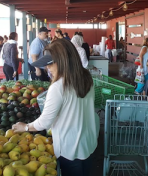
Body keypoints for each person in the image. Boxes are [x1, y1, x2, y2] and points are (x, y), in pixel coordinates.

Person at [12, 39, 98, 176]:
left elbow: (45, 122)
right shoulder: (86, 78)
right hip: (88, 144)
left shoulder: (58, 87)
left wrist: (26, 127)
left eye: (50, 63)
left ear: (62, 62)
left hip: (69, 149)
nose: (47, 68)